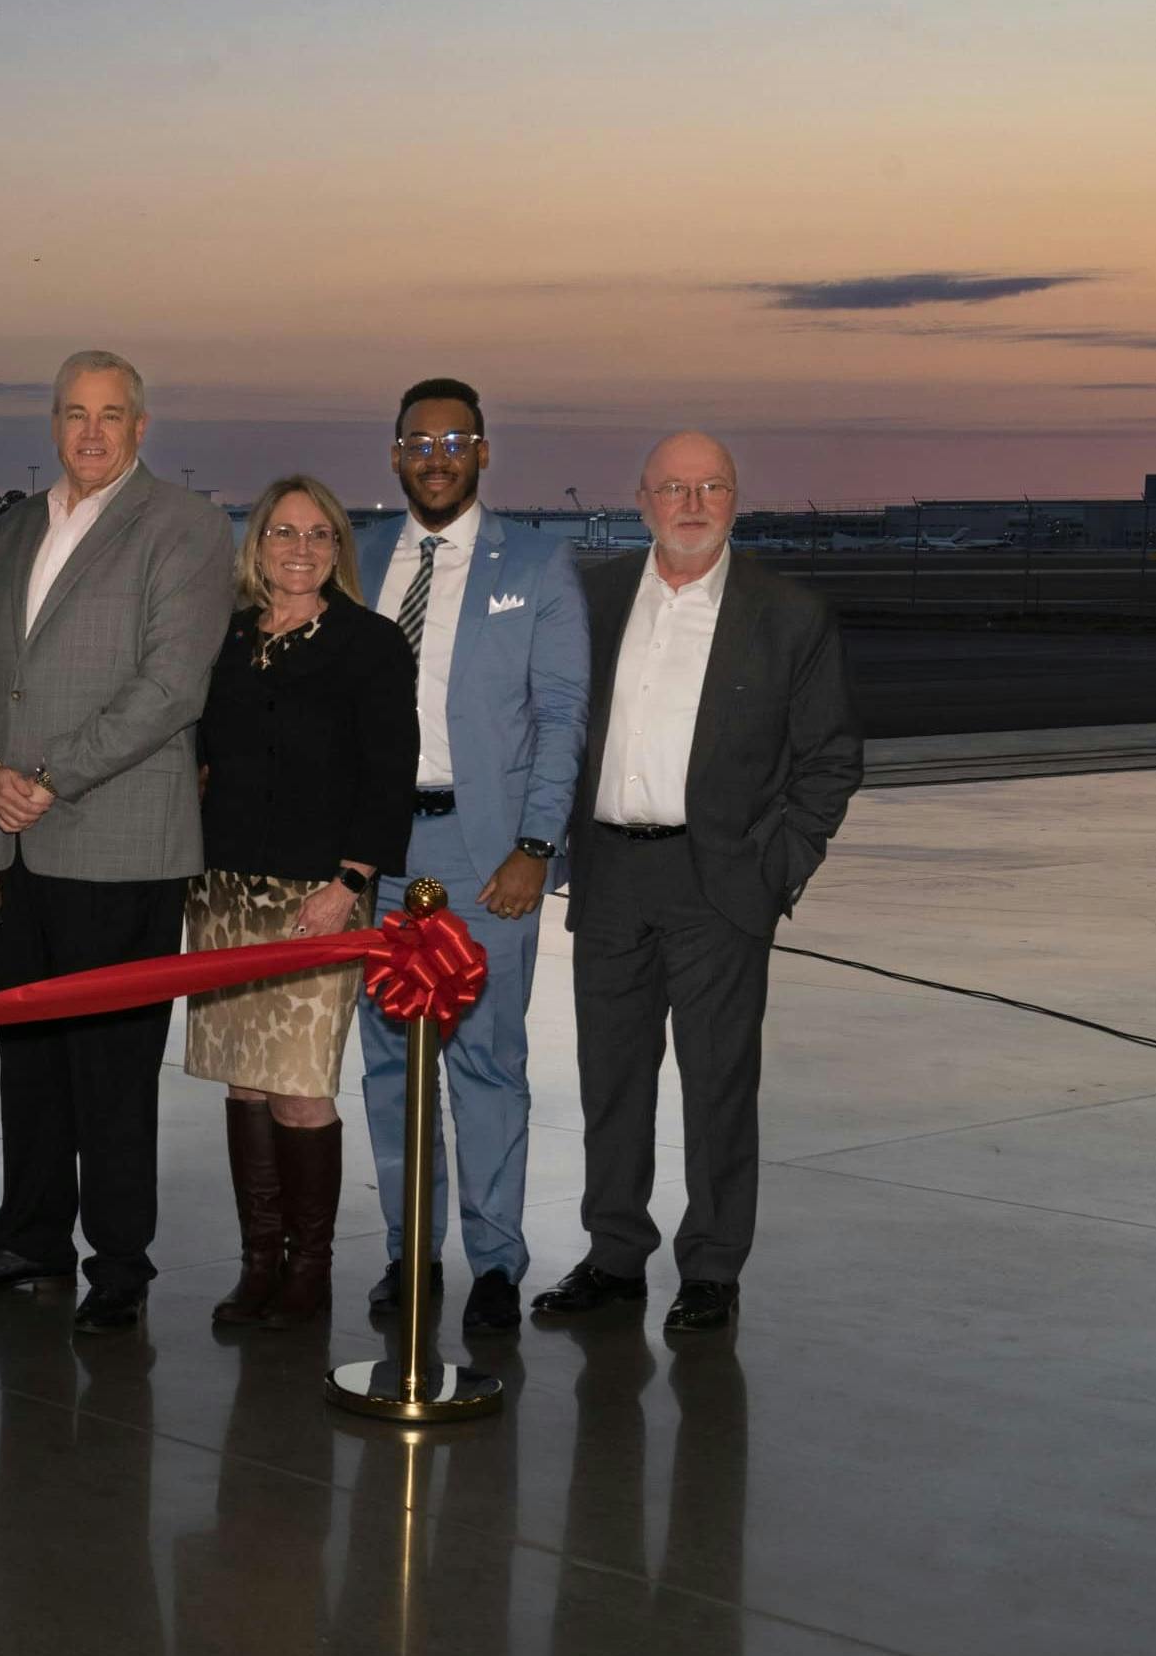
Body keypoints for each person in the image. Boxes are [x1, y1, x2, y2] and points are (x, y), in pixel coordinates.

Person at [534, 431, 861, 1333]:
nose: (691, 501)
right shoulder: (591, 600)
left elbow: (829, 761)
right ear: (641, 499)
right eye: (673, 486)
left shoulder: (788, 615)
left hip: (720, 882)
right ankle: (614, 1256)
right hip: (607, 873)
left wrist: (773, 871)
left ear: (735, 498)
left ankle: (713, 1266)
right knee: (612, 1078)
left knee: (718, 1083)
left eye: (710, 485)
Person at [0, 350, 235, 1338]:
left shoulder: (185, 528)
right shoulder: (19, 526)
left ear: (143, 427)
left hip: (120, 841)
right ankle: (29, 1238)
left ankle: (119, 1266)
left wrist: (50, 775)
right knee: (26, 1056)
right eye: (75, 413)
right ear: (53, 423)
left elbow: (170, 690)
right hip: (14, 840)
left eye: (113, 414)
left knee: (112, 1070)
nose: (93, 431)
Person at [350, 379, 592, 1334]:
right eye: (419, 439)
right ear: (396, 453)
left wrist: (538, 845)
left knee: (487, 1060)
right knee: (386, 1063)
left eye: (456, 439)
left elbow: (564, 715)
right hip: (379, 850)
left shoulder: (535, 562)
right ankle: (413, 1252)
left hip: (489, 852)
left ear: (485, 452)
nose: (437, 454)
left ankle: (495, 1258)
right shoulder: (359, 558)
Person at [184, 474, 416, 1327]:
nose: (300, 548)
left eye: (319, 534)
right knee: (245, 1086)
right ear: (259, 545)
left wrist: (349, 884)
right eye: (284, 532)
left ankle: (309, 1272)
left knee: (300, 1089)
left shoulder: (371, 644)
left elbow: (388, 775)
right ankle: (258, 1266)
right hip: (225, 889)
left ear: (338, 549)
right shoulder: (230, 640)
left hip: (319, 895)